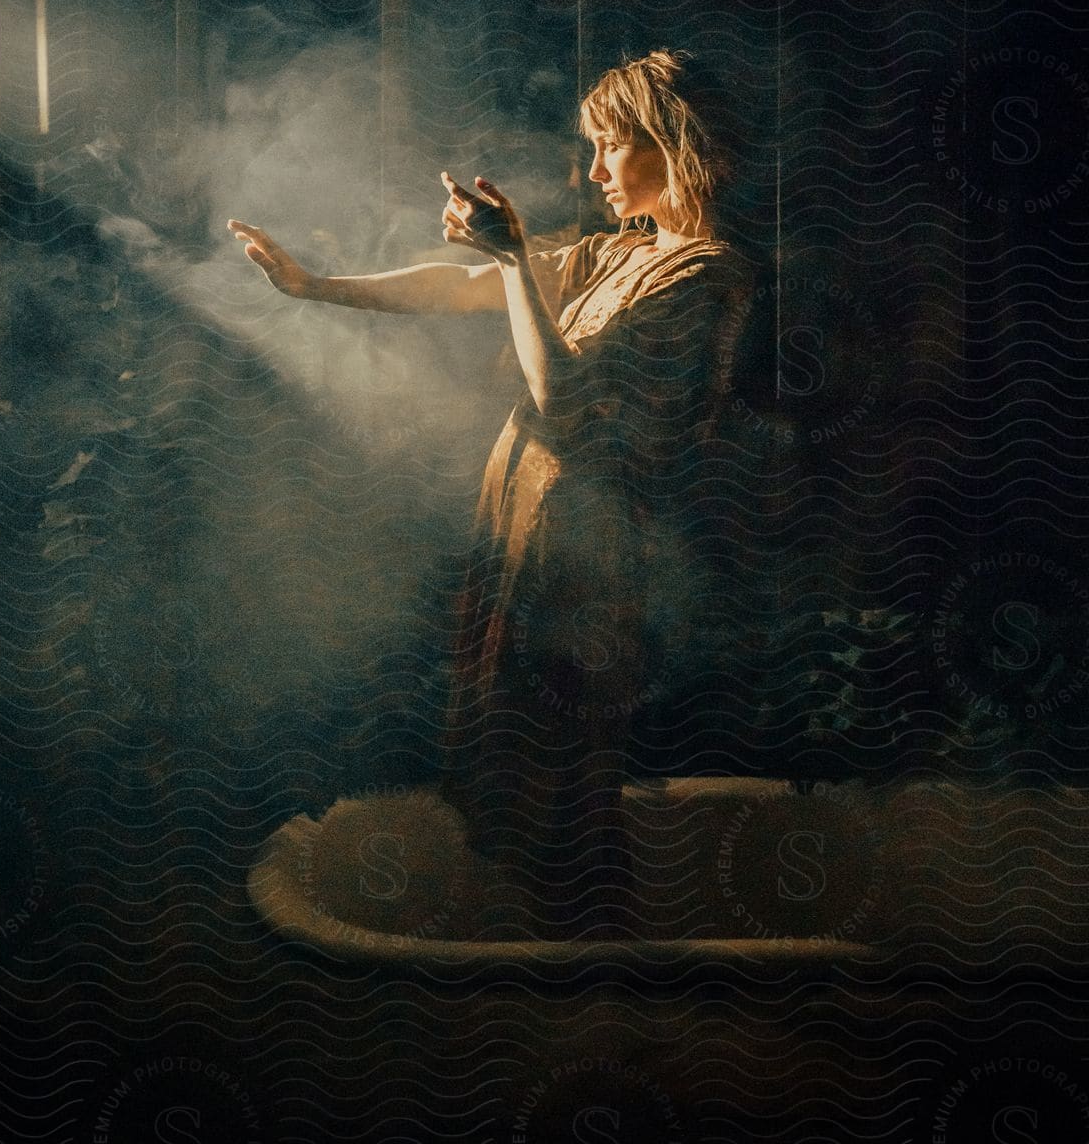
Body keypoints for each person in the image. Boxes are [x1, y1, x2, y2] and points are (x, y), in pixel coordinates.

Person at [228, 46, 755, 942]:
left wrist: (514, 261)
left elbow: (569, 405)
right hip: (528, 533)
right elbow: (459, 285)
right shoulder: (620, 252)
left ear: (674, 143)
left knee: (560, 767)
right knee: (507, 753)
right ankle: (532, 959)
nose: (593, 170)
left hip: (589, 557)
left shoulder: (705, 276)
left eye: (610, 145)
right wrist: (314, 287)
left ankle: (583, 980)